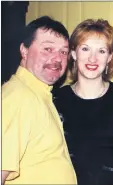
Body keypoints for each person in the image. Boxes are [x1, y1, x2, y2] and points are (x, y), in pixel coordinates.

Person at [52, 18, 113, 185]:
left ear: (110, 57)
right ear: (74, 53)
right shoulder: (57, 99)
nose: (93, 58)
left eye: (101, 51)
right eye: (85, 49)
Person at [1, 16, 77, 184]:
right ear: (24, 50)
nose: (57, 58)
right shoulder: (17, 96)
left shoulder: (40, 95)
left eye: (63, 52)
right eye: (48, 49)